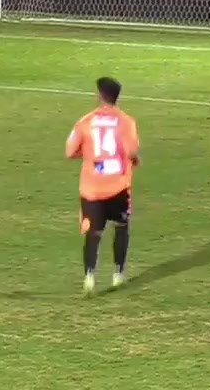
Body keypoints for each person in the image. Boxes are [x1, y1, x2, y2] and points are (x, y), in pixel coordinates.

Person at [66, 77, 140, 295]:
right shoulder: (126, 121)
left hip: (92, 187)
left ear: (99, 95)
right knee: (121, 227)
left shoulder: (85, 121)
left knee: (93, 233)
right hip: (118, 185)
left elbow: (70, 151)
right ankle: (118, 274)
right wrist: (135, 159)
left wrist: (88, 154)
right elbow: (131, 152)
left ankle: (89, 277)